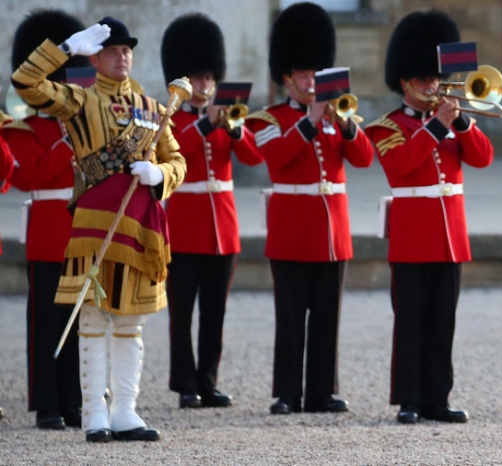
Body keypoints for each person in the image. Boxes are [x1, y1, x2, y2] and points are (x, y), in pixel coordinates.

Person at [11, 17, 186, 443]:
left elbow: (179, 161)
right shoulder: (79, 100)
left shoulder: (152, 109)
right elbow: (26, 82)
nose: (122, 56)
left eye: (126, 50)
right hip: (94, 226)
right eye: (112, 50)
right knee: (92, 321)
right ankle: (94, 413)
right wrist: (65, 48)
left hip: (140, 228)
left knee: (131, 325)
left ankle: (125, 410)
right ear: (96, 57)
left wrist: (159, 174)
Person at [365, 9, 494, 425]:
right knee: (411, 322)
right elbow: (401, 166)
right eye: (423, 80)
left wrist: (462, 123)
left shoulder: (452, 121)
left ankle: (437, 398)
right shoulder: (386, 127)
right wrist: (438, 127)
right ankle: (408, 399)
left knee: (443, 322)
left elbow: (483, 158)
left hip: (450, 235)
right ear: (404, 81)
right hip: (412, 236)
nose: (432, 85)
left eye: (434, 78)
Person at [245, 2, 373, 415]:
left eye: (316, 73)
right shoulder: (269, 119)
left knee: (326, 317)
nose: (312, 81)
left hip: (332, 230)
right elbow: (278, 157)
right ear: (287, 77)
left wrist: (348, 124)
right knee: (290, 317)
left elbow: (365, 159)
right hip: (292, 229)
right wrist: (309, 121)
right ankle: (286, 392)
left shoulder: (338, 117)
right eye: (304, 75)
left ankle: (321, 391)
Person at [161, 13, 263, 410]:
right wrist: (206, 123)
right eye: (197, 79)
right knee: (182, 313)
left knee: (214, 312)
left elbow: (254, 156)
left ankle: (208, 381)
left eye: (209, 78)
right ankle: (184, 382)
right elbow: (176, 147)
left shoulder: (227, 119)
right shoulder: (170, 118)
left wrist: (233, 129)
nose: (204, 86)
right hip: (184, 226)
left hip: (223, 227)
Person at [2, 9, 91, 432]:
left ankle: (73, 400)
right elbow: (30, 175)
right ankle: (47, 403)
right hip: (46, 231)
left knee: (77, 321)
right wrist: (65, 139)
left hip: (81, 230)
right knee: (46, 323)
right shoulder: (26, 128)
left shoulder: (82, 121)